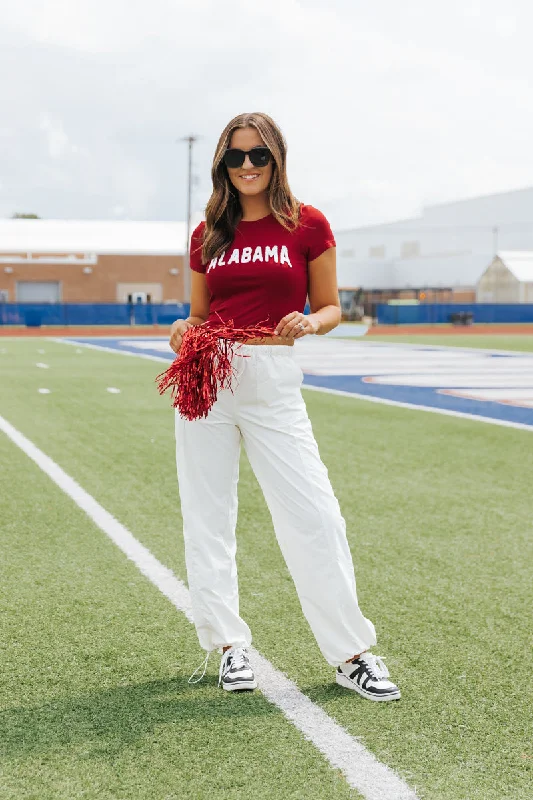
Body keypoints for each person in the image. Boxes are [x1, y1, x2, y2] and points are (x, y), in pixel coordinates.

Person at [169, 112, 400, 702]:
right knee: (208, 516)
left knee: (315, 516)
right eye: (235, 157)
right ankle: (229, 647)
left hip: (272, 377)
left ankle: (352, 653)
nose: (247, 167)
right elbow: (198, 314)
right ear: (222, 163)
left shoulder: (307, 223)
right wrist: (183, 328)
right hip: (207, 374)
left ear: (277, 158)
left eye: (258, 155)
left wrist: (309, 323)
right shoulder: (207, 232)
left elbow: (330, 307)